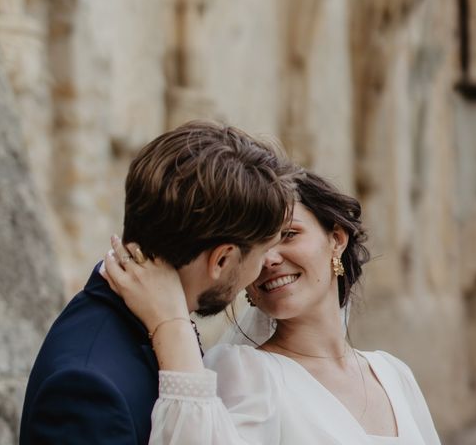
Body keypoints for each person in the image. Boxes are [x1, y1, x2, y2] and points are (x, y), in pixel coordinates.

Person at [105, 170, 442, 445]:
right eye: (255, 246)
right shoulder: (247, 372)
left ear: (336, 239)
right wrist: (170, 321)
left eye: (288, 234)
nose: (270, 259)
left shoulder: (393, 374)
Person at [19, 120, 297, 444]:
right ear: (221, 259)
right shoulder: (88, 388)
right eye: (263, 253)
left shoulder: (154, 323)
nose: (265, 268)